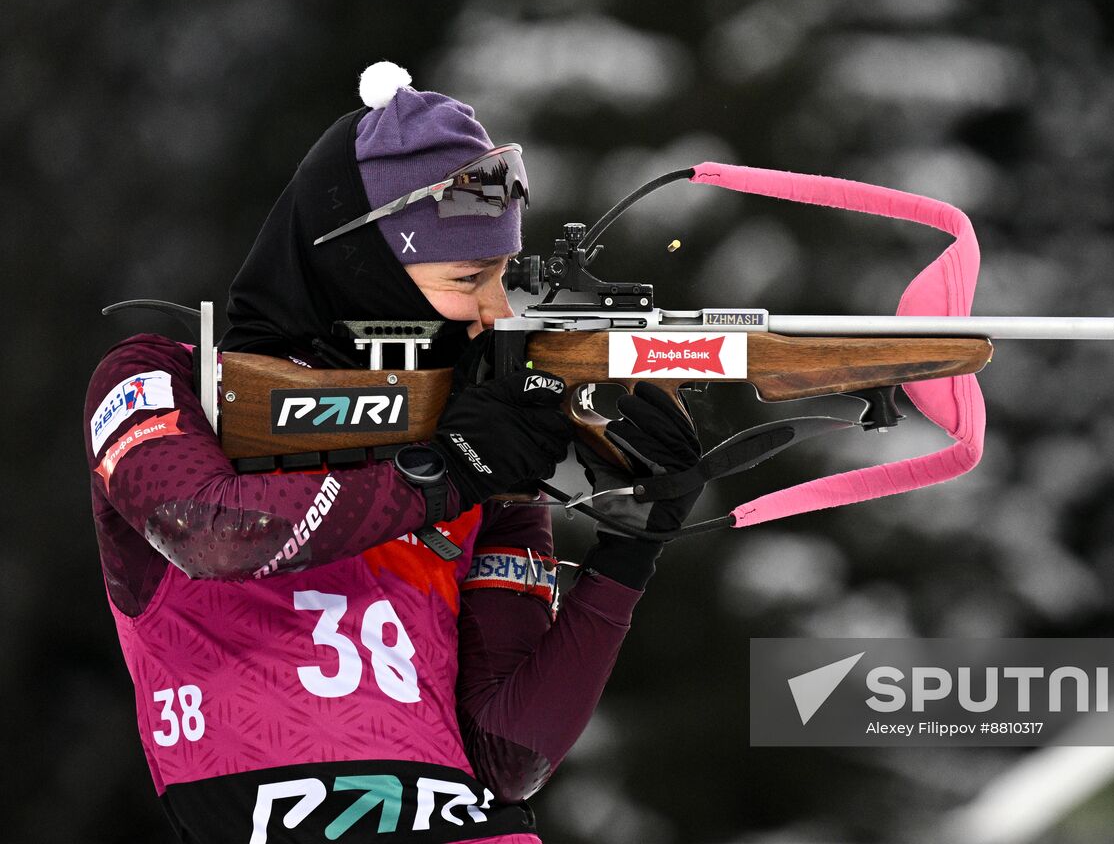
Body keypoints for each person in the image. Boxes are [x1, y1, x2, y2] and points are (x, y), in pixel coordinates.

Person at [84, 62, 702, 844]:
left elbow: (507, 755)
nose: (495, 311)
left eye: (504, 275)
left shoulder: (475, 435)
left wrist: (629, 554)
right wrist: (448, 472)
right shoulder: (167, 379)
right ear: (362, 266)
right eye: (468, 276)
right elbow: (204, 527)